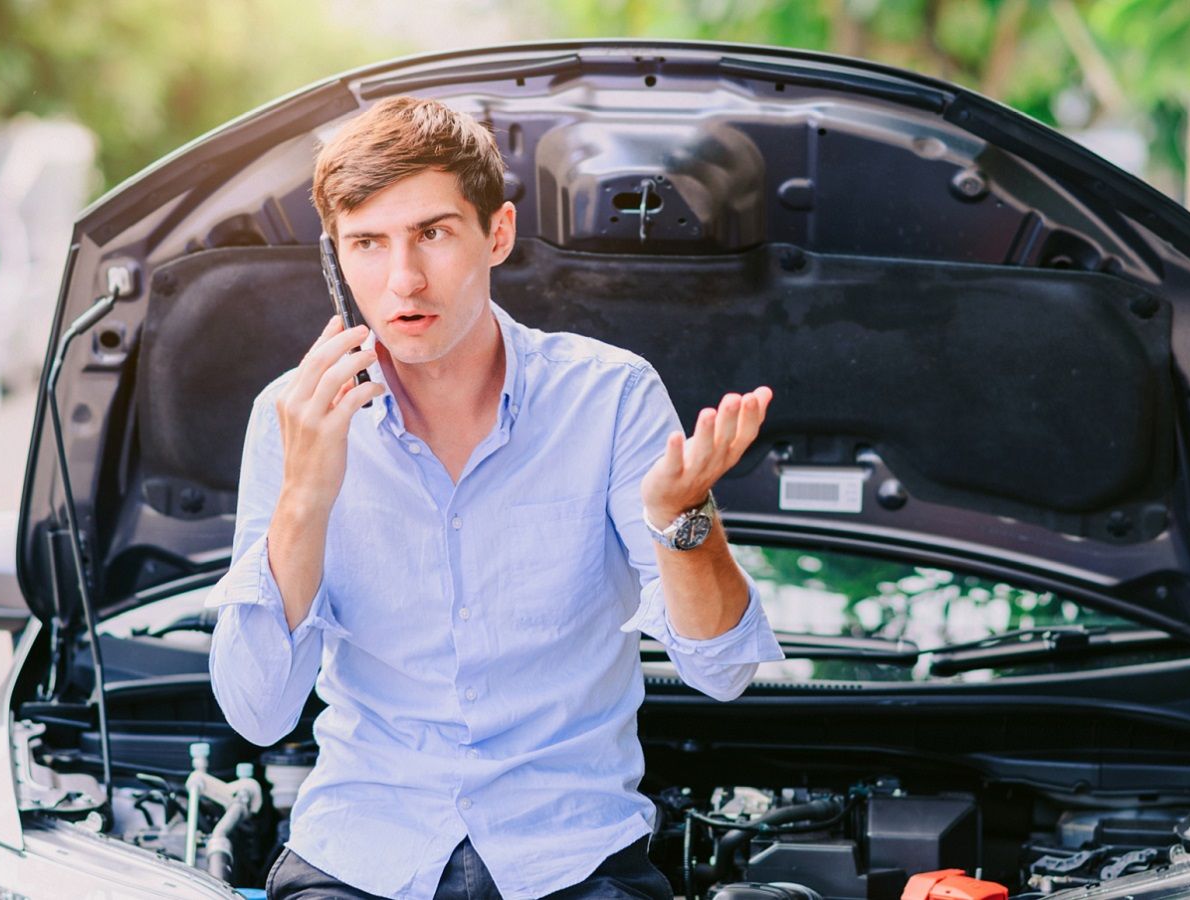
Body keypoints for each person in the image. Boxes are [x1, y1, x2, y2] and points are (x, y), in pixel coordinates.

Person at [206, 96, 785, 900]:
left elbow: (723, 671)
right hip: (362, 853)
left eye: (433, 233)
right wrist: (305, 492)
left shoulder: (610, 397)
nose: (403, 278)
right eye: (367, 243)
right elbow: (258, 711)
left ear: (498, 234)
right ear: (336, 257)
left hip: (572, 855)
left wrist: (682, 519)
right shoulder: (293, 418)